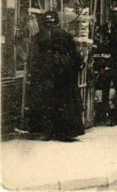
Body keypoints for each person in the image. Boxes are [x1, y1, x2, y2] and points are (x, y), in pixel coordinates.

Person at [25, 11, 85, 141]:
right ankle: (65, 132)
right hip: (63, 70)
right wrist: (77, 65)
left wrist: (32, 71)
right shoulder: (64, 34)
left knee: (46, 101)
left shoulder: (38, 37)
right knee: (64, 100)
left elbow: (32, 57)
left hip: (44, 72)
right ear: (56, 21)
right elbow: (74, 54)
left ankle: (47, 131)